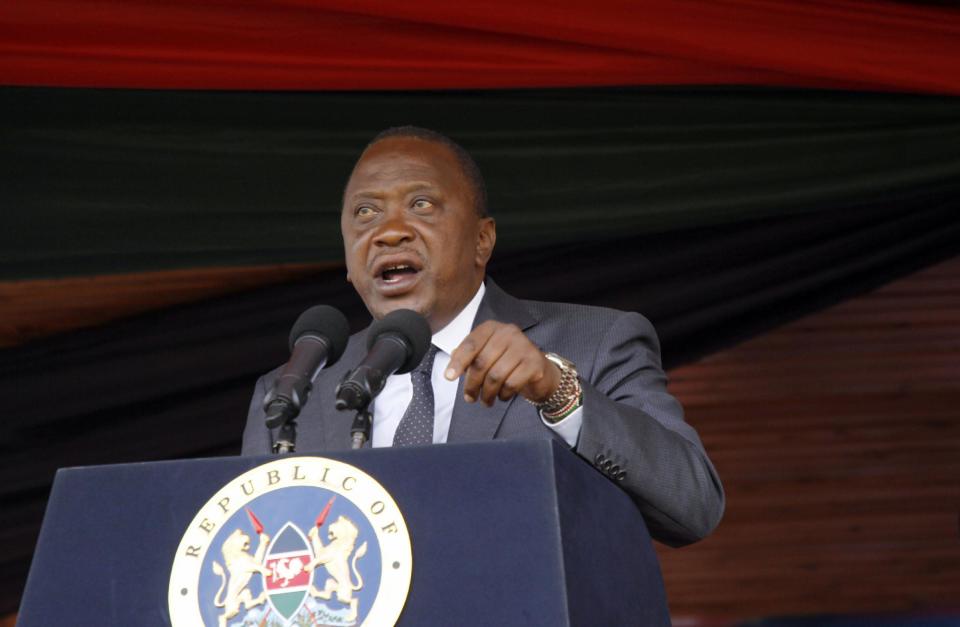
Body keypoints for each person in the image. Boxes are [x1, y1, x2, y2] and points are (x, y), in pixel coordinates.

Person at [243, 126, 723, 546]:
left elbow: (694, 504)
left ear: (482, 240)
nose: (389, 233)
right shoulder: (292, 393)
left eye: (421, 204)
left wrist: (559, 392)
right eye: (365, 213)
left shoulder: (595, 342)